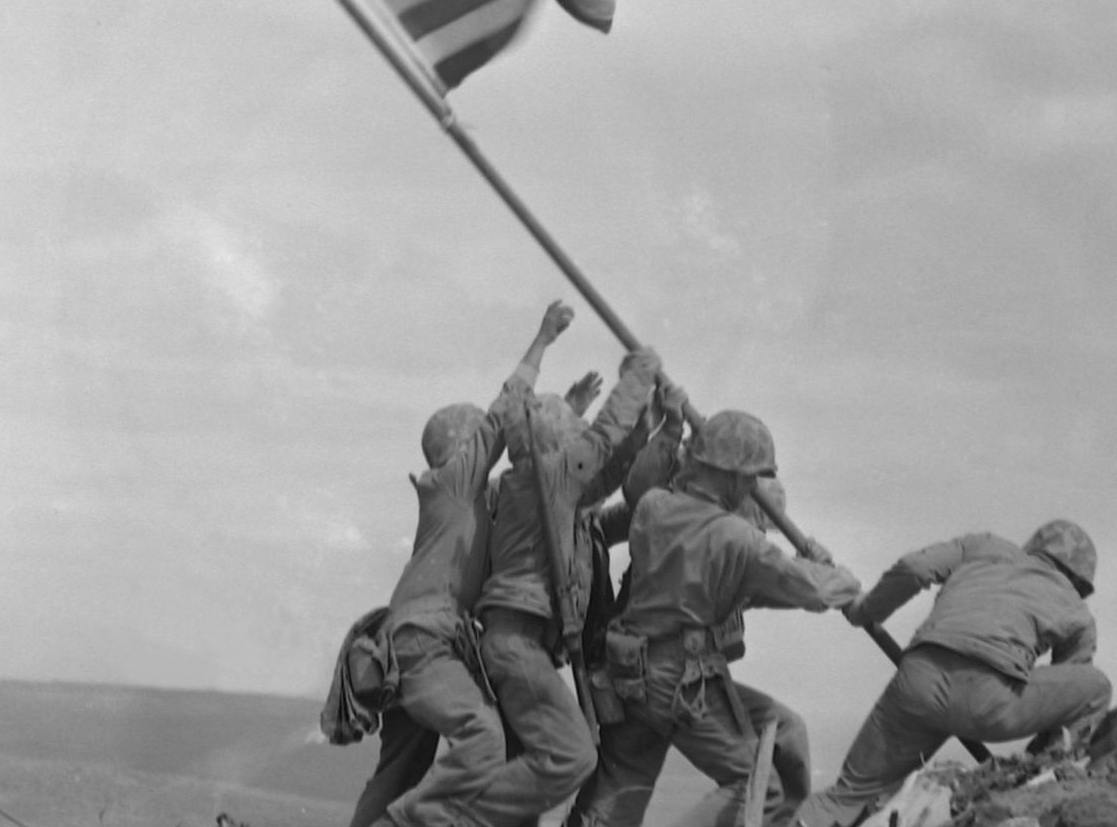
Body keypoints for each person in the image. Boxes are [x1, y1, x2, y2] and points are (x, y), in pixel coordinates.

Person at [348, 301, 574, 827]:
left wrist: (568, 411)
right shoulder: (453, 485)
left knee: (400, 767)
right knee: (483, 735)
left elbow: (528, 472)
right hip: (426, 641)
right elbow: (504, 413)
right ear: (461, 448)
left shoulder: (459, 498)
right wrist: (541, 341)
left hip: (412, 640)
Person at [577, 410, 861, 827]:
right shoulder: (737, 538)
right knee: (756, 784)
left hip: (630, 673)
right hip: (681, 680)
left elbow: (752, 590)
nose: (751, 486)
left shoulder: (655, 508)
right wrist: (835, 574)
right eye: (750, 478)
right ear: (732, 476)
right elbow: (816, 590)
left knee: (620, 789)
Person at [795, 520, 1113, 827]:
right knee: (1096, 687)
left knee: (847, 793)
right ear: (1080, 582)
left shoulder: (984, 546)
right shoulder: (1078, 612)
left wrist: (864, 610)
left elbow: (914, 568)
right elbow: (1067, 694)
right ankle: (1041, 778)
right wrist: (1034, 761)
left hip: (918, 683)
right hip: (989, 701)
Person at [471, 340, 665, 827]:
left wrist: (644, 432)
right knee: (573, 756)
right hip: (517, 644)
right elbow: (601, 442)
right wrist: (638, 375)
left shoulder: (552, 494)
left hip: (528, 645)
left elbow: (606, 477)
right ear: (558, 448)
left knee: (527, 778)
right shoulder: (541, 481)